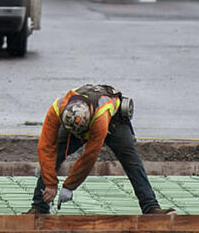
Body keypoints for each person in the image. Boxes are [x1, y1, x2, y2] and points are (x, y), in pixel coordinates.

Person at [28, 83, 173, 215]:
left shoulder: (100, 119)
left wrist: (69, 186)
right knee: (56, 153)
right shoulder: (57, 107)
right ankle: (39, 207)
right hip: (76, 124)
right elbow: (45, 147)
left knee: (131, 161)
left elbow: (89, 156)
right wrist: (50, 183)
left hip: (114, 124)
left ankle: (151, 207)